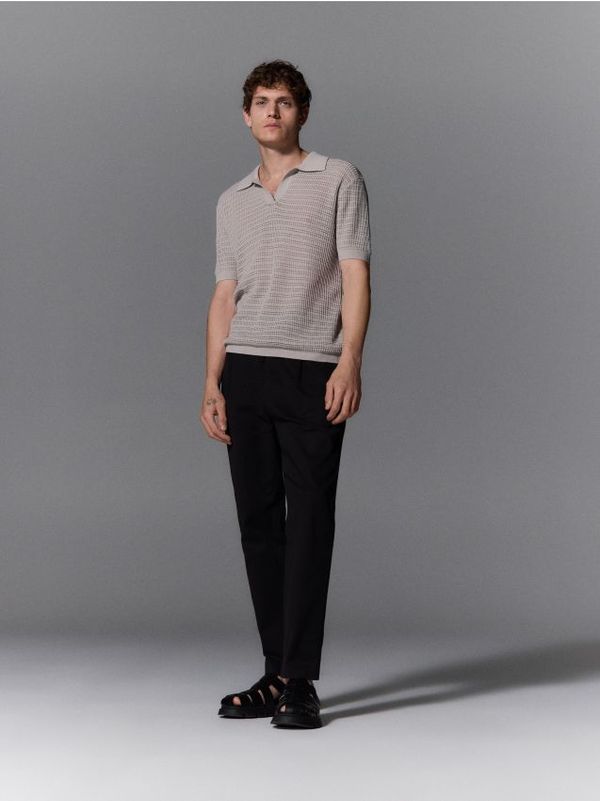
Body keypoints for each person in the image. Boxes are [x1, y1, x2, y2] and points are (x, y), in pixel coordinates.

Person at [199, 60, 372, 729]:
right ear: (246, 115)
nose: (272, 112)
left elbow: (355, 274)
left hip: (311, 370)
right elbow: (224, 295)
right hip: (245, 372)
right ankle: (276, 671)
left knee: (309, 525)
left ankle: (300, 680)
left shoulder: (338, 178)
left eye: (285, 102)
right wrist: (211, 382)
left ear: (302, 113)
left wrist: (349, 359)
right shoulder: (232, 200)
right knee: (259, 526)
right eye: (262, 102)